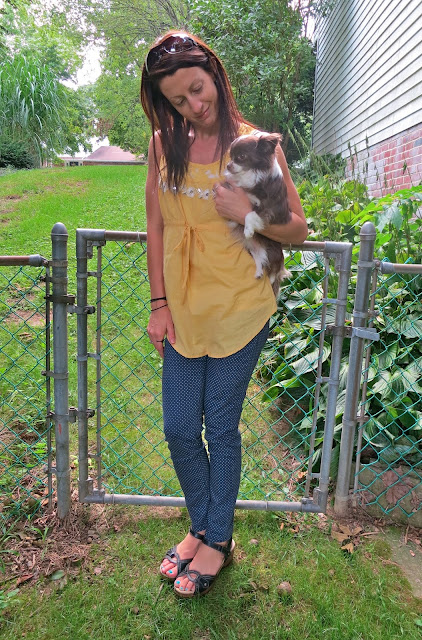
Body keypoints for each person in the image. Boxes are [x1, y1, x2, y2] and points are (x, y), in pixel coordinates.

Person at [140, 31, 307, 598]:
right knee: (179, 427)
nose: (193, 104)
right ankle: (201, 524)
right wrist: (159, 304)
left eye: (196, 88)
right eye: (178, 99)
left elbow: (298, 233)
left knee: (219, 423)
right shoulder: (164, 146)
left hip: (241, 308)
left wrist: (250, 213)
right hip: (184, 311)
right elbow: (157, 226)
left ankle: (217, 539)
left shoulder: (255, 148)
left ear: (213, 73)